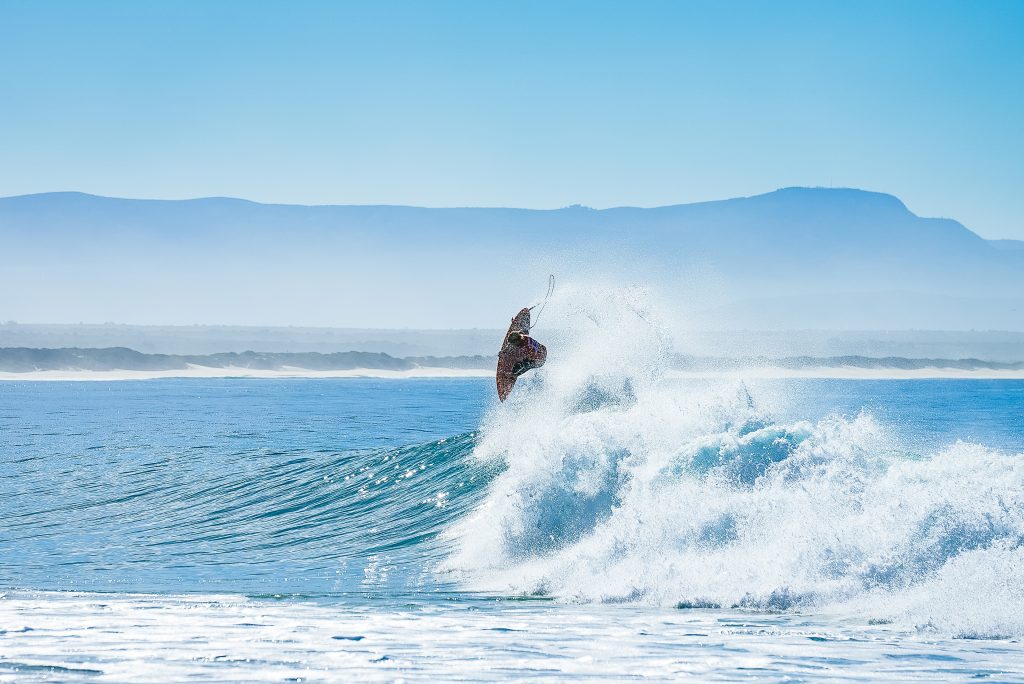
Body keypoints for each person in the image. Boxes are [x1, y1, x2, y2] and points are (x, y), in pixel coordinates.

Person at [496, 308, 547, 401]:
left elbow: (530, 358)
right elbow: (521, 329)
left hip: (540, 359)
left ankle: (513, 375)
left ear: (518, 341)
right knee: (519, 356)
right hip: (540, 350)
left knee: (520, 365)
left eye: (514, 344)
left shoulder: (527, 347)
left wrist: (516, 358)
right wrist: (505, 351)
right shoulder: (521, 335)